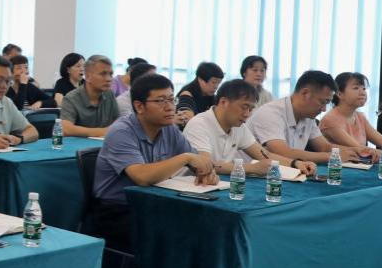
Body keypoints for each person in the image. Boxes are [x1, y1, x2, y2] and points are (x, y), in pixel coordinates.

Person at [91, 74, 216, 247]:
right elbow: (142, 177)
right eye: (160, 101)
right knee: (182, 232)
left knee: (207, 224)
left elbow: (198, 163)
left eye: (172, 100)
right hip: (118, 211)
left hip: (155, 204)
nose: (170, 107)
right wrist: (186, 158)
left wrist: (207, 172)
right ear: (139, 106)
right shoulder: (121, 131)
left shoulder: (169, 129)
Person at [184, 79, 317, 177]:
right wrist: (251, 168)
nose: (247, 114)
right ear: (223, 102)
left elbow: (265, 155)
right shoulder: (199, 124)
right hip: (187, 189)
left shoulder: (238, 127)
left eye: (251, 109)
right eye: (244, 107)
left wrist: (295, 163)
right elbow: (206, 164)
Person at [248, 70, 371, 165]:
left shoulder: (308, 116)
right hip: (252, 176)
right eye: (322, 102)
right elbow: (283, 152)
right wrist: (333, 156)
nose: (324, 109)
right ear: (305, 93)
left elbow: (324, 146)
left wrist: (355, 151)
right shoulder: (270, 113)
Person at [319, 72, 382, 161]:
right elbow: (360, 149)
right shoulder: (330, 120)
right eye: (356, 88)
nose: (362, 92)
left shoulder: (360, 116)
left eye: (364, 88)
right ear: (340, 94)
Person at [59, 55, 122, 137]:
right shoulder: (71, 98)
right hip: (79, 145)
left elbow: (118, 121)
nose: (109, 79)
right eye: (103, 74)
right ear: (88, 77)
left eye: (111, 74)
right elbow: (66, 129)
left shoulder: (109, 94)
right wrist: (102, 132)